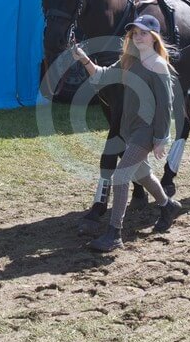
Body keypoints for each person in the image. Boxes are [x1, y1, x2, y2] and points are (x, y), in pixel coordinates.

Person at [72, 14, 182, 252]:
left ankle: (114, 234)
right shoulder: (129, 60)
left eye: (144, 33)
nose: (138, 37)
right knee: (142, 174)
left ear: (154, 38)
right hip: (128, 129)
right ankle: (167, 206)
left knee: (121, 176)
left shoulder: (158, 65)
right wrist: (84, 59)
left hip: (146, 131)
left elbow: (166, 105)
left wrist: (160, 139)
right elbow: (101, 75)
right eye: (135, 33)